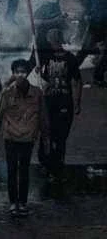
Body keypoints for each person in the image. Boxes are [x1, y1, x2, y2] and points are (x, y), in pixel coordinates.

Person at [0, 59, 50, 217]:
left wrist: (46, 139)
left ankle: (22, 202)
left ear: (28, 73)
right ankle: (13, 203)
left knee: (24, 170)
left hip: (28, 138)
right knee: (12, 170)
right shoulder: (7, 93)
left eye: (23, 72)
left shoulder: (37, 93)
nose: (20, 75)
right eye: (17, 72)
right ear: (13, 74)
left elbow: (43, 118)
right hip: (10, 137)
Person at [38, 29, 82, 178]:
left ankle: (57, 164)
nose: (53, 41)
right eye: (51, 39)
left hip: (64, 101)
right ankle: (46, 162)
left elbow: (77, 81)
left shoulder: (70, 58)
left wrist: (77, 103)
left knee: (61, 135)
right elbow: (42, 79)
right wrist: (39, 71)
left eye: (55, 38)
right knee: (46, 132)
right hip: (48, 101)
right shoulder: (45, 56)